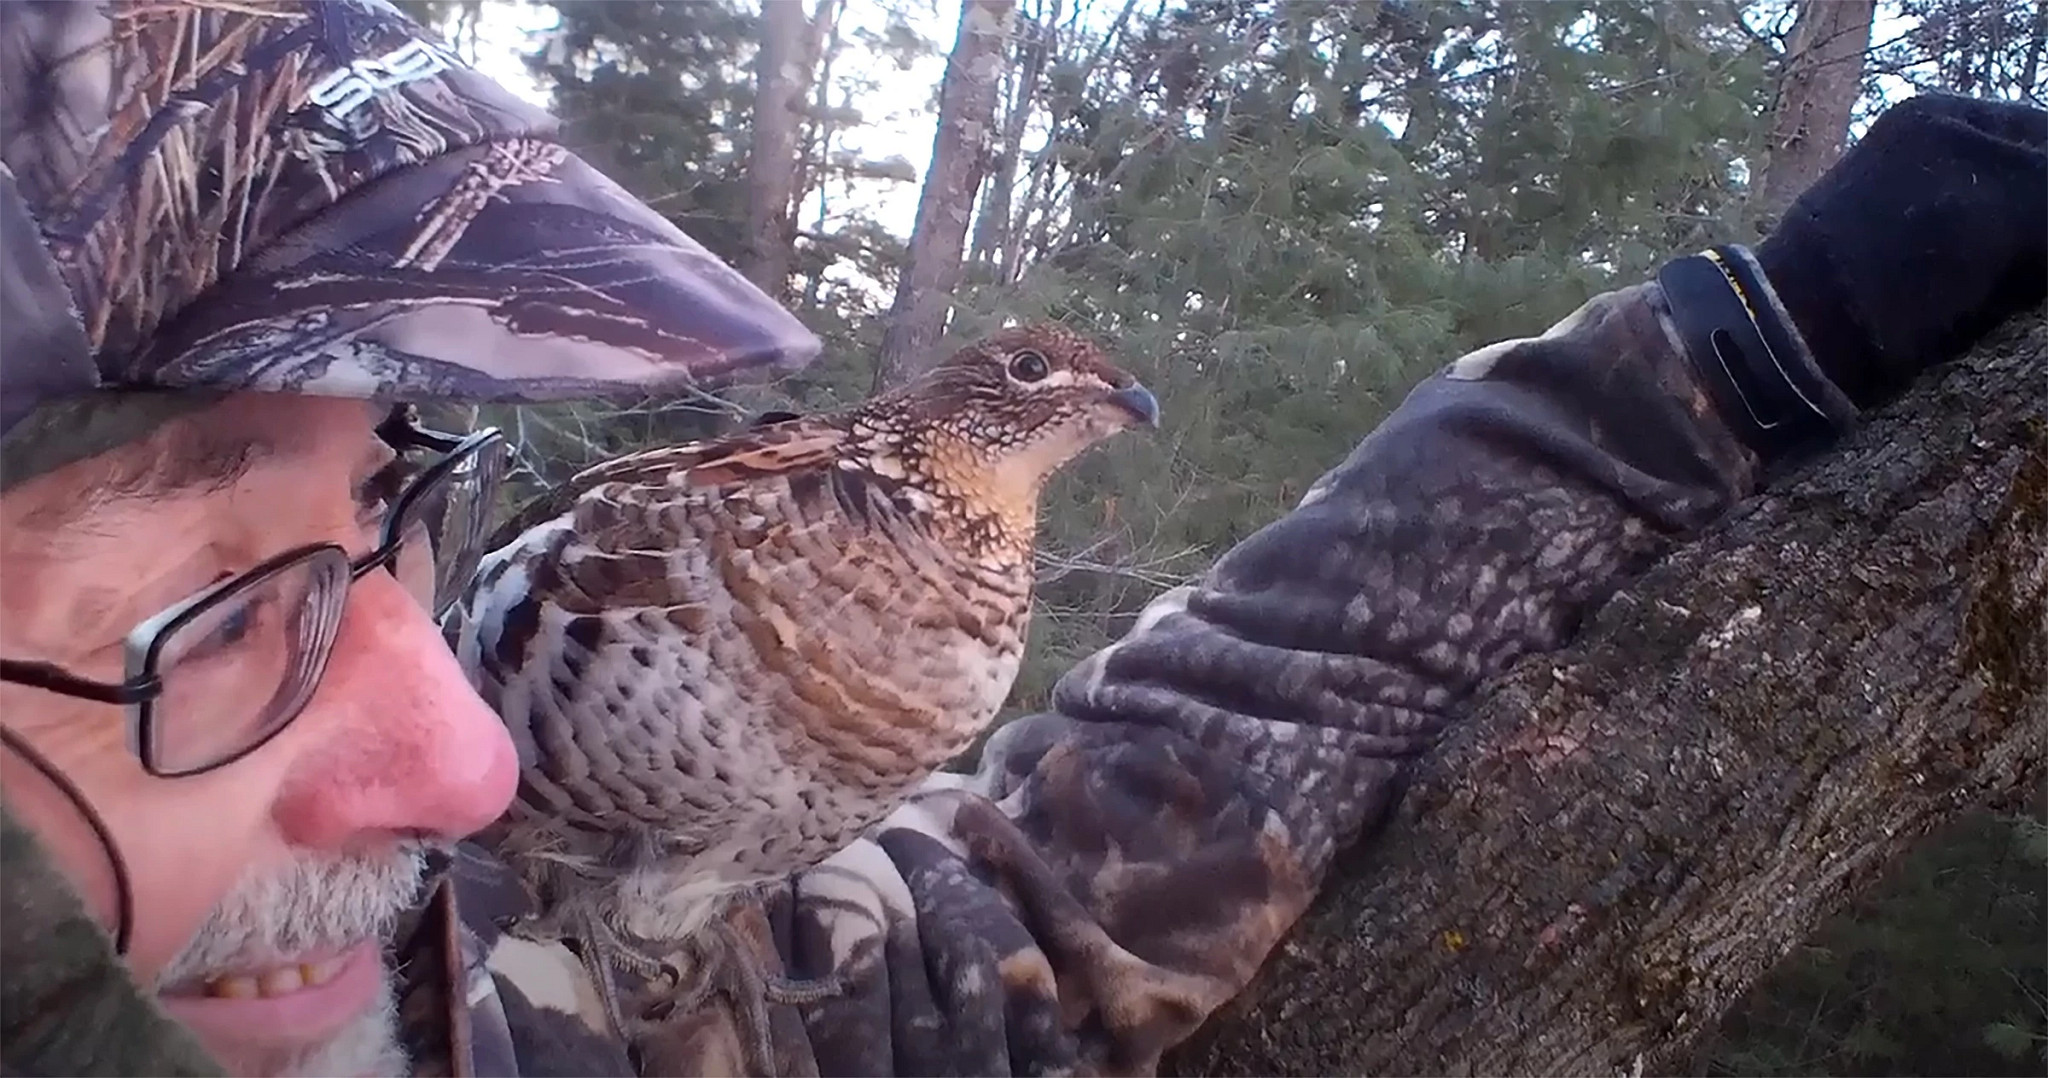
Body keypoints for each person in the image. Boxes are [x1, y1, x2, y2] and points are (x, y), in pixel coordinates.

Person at [0, 1, 2040, 1075]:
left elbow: (1040, 901)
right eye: (201, 612)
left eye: (400, 517)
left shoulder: (516, 1013)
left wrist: (1725, 367)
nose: (463, 748)